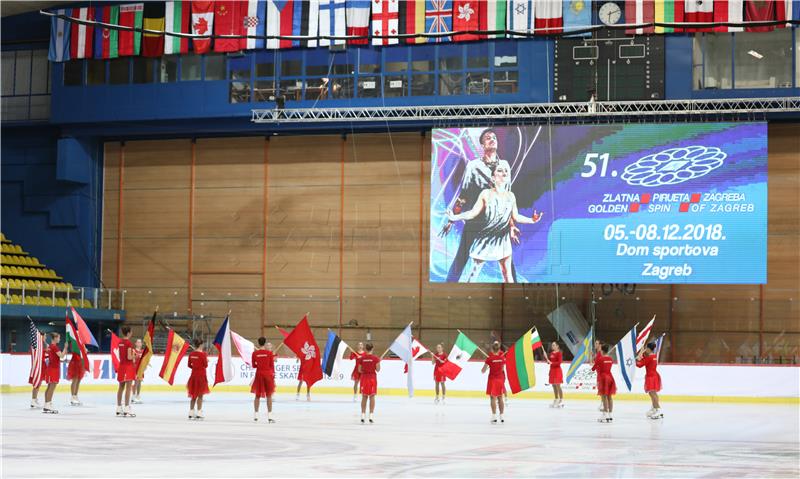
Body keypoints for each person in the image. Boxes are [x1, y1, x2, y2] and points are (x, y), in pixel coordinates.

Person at [447, 162, 543, 282]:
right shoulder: (486, 194)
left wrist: (532, 220)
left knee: (508, 275)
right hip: (485, 239)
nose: (504, 173)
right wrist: (455, 217)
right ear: (493, 177)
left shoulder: (511, 196)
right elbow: (472, 213)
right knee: (473, 274)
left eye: (506, 171)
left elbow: (516, 216)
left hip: (503, 240)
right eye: (500, 171)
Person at [441, 129, 516, 282]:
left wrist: (511, 225)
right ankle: (447, 286)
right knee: (461, 257)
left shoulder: (504, 165)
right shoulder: (473, 166)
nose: (492, 139)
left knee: (508, 261)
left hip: (498, 222)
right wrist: (452, 219)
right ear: (482, 145)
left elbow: (508, 198)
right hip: (476, 219)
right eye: (488, 138)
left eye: (494, 137)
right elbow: (464, 196)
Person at [251, 337, 276, 423]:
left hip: (259, 374)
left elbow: (254, 365)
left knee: (257, 395)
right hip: (267, 375)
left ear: (258, 343)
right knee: (269, 395)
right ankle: (270, 417)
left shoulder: (254, 353)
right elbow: (271, 365)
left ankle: (256, 416)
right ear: (265, 343)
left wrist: (259, 363)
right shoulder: (269, 353)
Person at [637, 341, 663, 419]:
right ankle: (655, 408)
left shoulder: (650, 357)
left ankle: (658, 409)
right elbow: (645, 360)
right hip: (654, 375)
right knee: (653, 393)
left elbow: (640, 365)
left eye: (646, 348)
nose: (645, 350)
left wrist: (637, 359)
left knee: (652, 393)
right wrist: (641, 354)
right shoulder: (653, 356)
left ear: (648, 348)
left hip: (651, 377)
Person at [482, 341, 506, 424]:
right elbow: (502, 369)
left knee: (493, 398)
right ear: (499, 349)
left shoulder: (489, 358)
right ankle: (502, 416)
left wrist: (489, 365)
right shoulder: (502, 358)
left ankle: (494, 416)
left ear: (492, 349)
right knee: (500, 398)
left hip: (492, 380)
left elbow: (483, 371)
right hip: (500, 379)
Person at [593, 342, 616, 423]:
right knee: (609, 396)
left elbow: (593, 368)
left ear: (602, 350)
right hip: (610, 377)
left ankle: (605, 413)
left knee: (604, 396)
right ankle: (610, 414)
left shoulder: (600, 359)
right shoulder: (610, 359)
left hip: (603, 378)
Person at [116, 326, 136, 417]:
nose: (132, 333)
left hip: (121, 367)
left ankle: (119, 407)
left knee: (121, 387)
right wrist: (136, 356)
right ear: (128, 333)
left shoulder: (120, 342)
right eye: (131, 332)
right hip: (128, 367)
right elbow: (129, 357)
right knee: (128, 387)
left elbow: (121, 356)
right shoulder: (128, 343)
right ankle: (127, 407)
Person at [358, 343, 380, 424]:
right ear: (372, 348)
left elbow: (359, 370)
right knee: (372, 396)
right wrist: (378, 362)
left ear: (366, 349)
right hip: (372, 378)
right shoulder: (375, 358)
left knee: (364, 397)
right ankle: (371, 415)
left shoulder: (362, 358)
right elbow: (378, 370)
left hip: (364, 378)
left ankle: (363, 415)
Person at [187, 338, 209, 420]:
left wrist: (195, 367)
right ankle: (199, 412)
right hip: (201, 376)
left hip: (193, 376)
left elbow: (189, 365)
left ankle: (191, 412)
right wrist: (206, 360)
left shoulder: (191, 354)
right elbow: (205, 365)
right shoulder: (203, 355)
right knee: (200, 395)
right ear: (200, 345)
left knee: (193, 394)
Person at [42, 332, 64, 414]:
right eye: (59, 337)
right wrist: (65, 348)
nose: (59, 339)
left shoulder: (51, 347)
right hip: (53, 370)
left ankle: (47, 404)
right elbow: (61, 356)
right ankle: (47, 404)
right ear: (55, 338)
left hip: (52, 369)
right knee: (51, 387)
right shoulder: (54, 347)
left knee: (49, 387)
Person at [547, 341, 564, 408]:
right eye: (552, 345)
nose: (552, 346)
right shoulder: (551, 353)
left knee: (558, 385)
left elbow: (559, 363)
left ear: (557, 346)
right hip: (552, 371)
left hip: (557, 371)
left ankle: (561, 400)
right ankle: (556, 399)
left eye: (554, 345)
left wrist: (551, 363)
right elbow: (550, 362)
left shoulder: (559, 353)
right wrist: (548, 362)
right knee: (553, 385)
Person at [132, 338, 144, 404]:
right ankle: (133, 396)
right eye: (138, 342)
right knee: (136, 382)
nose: (139, 344)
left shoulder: (143, 351)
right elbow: (133, 360)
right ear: (135, 343)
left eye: (140, 342)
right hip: (135, 368)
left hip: (141, 368)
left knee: (139, 382)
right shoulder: (133, 350)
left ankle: (138, 395)